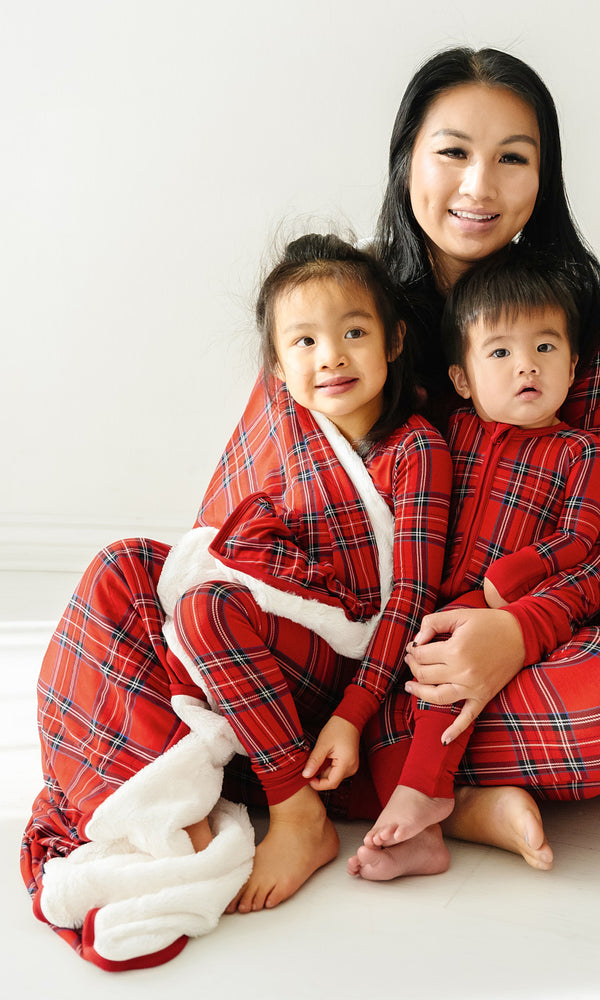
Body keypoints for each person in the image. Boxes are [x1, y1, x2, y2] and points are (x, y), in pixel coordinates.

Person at [201, 47, 600, 875]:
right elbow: (248, 498)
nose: (480, 187)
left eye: (513, 159)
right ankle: (433, 792)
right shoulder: (338, 303)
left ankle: (369, 776)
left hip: (499, 652)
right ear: (406, 162)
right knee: (196, 643)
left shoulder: (590, 322)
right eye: (454, 152)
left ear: (546, 176)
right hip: (344, 639)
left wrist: (512, 632)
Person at [21, 234, 452, 968]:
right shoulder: (286, 431)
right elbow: (231, 537)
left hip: (343, 657)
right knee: (121, 565)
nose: (332, 357)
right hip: (266, 633)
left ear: (394, 339)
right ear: (279, 368)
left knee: (206, 611)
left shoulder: (415, 449)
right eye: (306, 341)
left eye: (354, 332)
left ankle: (295, 809)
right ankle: (137, 798)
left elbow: (409, 596)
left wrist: (354, 712)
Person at [355, 250, 600, 874]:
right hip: (424, 600)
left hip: (499, 610)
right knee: (396, 704)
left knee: (445, 680)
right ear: (462, 378)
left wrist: (512, 576)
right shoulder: (450, 434)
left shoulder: (578, 450)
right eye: (500, 352)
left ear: (573, 365)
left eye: (546, 349)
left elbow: (584, 537)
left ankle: (419, 799)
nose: (527, 365)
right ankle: (437, 823)